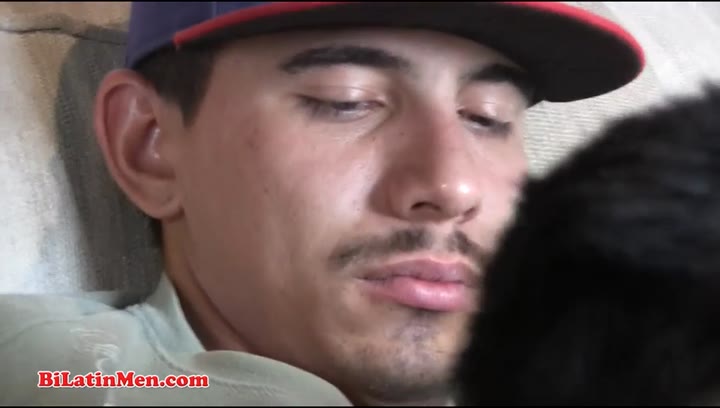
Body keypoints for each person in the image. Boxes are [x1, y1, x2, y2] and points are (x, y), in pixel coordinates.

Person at [0, 2, 645, 406]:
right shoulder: (69, 370)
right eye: (347, 101)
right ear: (149, 146)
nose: (454, 187)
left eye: (487, 116)